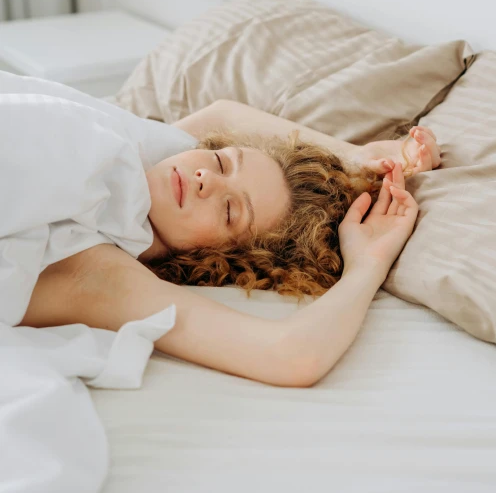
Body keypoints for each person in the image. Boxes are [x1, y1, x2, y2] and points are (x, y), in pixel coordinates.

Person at [20, 96, 440, 388]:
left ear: (215, 255)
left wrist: (367, 264)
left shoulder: (94, 270)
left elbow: (291, 356)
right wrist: (354, 155)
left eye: (228, 210)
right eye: (221, 161)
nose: (206, 179)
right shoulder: (144, 159)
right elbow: (222, 115)